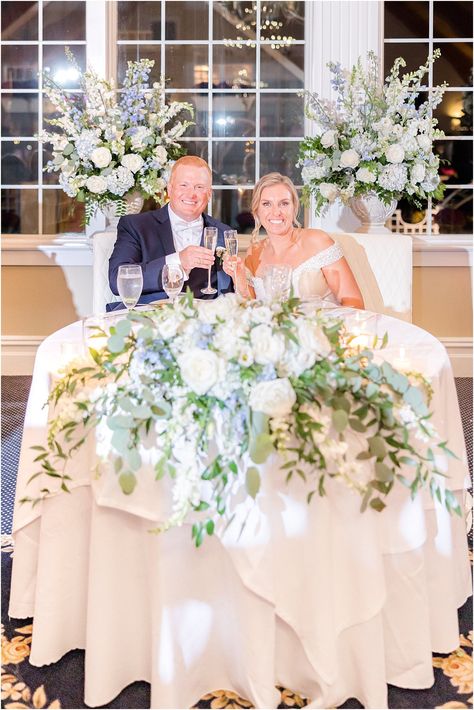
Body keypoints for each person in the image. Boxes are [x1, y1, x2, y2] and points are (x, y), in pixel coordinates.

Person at [223, 172, 364, 309]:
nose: (276, 212)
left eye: (284, 203)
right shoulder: (254, 252)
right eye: (266, 204)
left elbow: (355, 305)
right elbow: (250, 309)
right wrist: (239, 279)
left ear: (294, 208)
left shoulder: (318, 241)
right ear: (256, 211)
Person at [108, 156, 233, 308]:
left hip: (204, 323)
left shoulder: (223, 232)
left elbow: (228, 294)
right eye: (184, 185)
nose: (191, 194)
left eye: (199, 187)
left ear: (209, 193)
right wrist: (178, 261)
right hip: (148, 321)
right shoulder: (136, 226)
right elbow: (117, 280)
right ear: (169, 188)